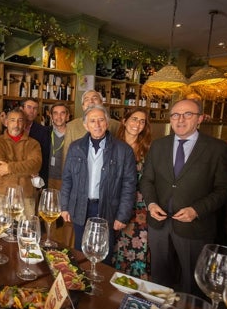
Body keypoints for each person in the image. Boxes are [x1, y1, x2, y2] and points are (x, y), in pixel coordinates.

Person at [140, 99, 227, 294]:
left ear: (199, 118)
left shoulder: (217, 149)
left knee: (193, 283)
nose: (180, 119)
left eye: (188, 114)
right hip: (159, 223)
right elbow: (146, 180)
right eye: (175, 115)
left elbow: (226, 189)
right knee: (159, 278)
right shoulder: (158, 146)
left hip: (194, 226)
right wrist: (150, 204)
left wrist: (196, 210)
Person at [60, 105, 136, 264]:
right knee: (80, 250)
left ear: (107, 123)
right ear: (85, 125)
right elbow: (67, 178)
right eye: (92, 121)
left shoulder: (123, 150)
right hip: (80, 206)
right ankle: (81, 284)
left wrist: (122, 215)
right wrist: (64, 206)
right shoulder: (75, 147)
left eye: (101, 120)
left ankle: (101, 286)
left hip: (107, 207)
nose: (97, 124)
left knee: (103, 252)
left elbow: (129, 185)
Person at [111, 108, 152, 279]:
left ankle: (135, 288)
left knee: (138, 247)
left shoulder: (148, 149)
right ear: (124, 121)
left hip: (140, 208)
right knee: (115, 246)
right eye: (134, 119)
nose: (137, 124)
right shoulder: (112, 145)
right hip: (115, 203)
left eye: (142, 121)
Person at [0, 108, 42, 216]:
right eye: (12, 120)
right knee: (1, 231)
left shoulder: (33, 144)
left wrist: (9, 167)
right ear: (6, 122)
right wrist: (26, 169)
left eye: (20, 120)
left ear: (24, 124)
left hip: (26, 196)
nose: (16, 124)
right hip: (2, 195)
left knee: (26, 232)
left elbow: (35, 165)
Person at [62, 90, 120, 165]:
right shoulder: (71, 126)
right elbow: (66, 155)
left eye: (95, 98)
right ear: (83, 106)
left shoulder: (116, 125)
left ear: (101, 103)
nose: (91, 101)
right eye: (87, 99)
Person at [21, 98, 50, 186]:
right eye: (29, 107)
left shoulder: (43, 131)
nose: (32, 111)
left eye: (35, 108)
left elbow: (44, 157)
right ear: (21, 109)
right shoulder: (13, 127)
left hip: (33, 178)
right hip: (14, 175)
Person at [47, 102, 69, 190]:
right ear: (51, 116)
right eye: (55, 113)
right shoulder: (45, 133)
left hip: (65, 181)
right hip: (47, 179)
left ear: (67, 116)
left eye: (62, 113)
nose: (59, 117)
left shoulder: (73, 134)